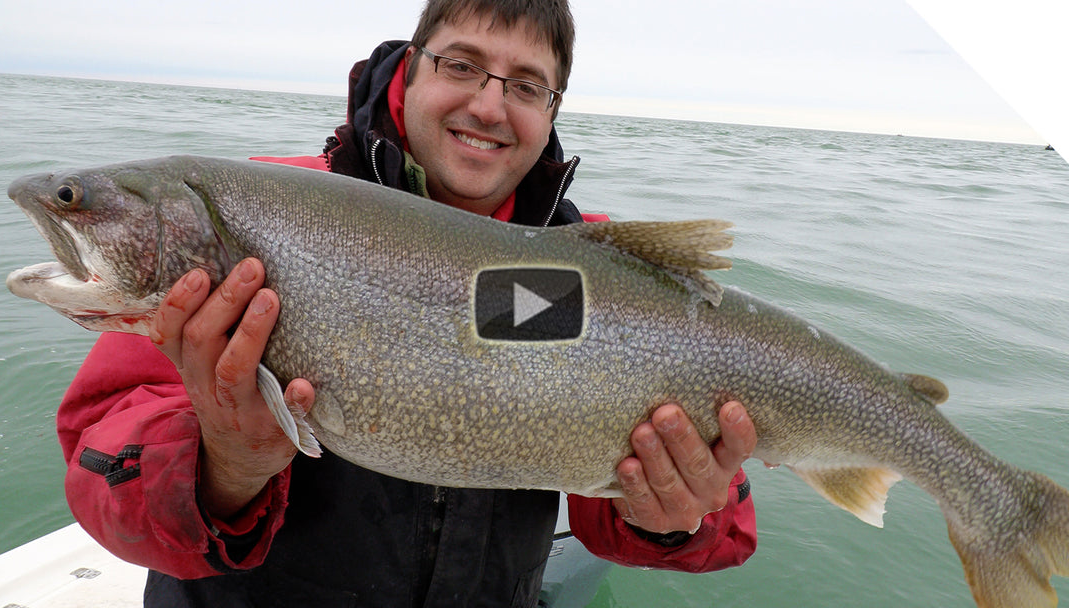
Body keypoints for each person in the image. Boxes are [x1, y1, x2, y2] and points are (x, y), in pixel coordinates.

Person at [56, 0, 758, 606]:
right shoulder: (256, 216)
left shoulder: (585, 275)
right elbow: (101, 464)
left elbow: (709, 528)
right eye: (461, 65)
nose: (488, 105)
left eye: (526, 85)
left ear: (553, 112)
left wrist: (669, 516)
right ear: (410, 65)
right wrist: (224, 467)